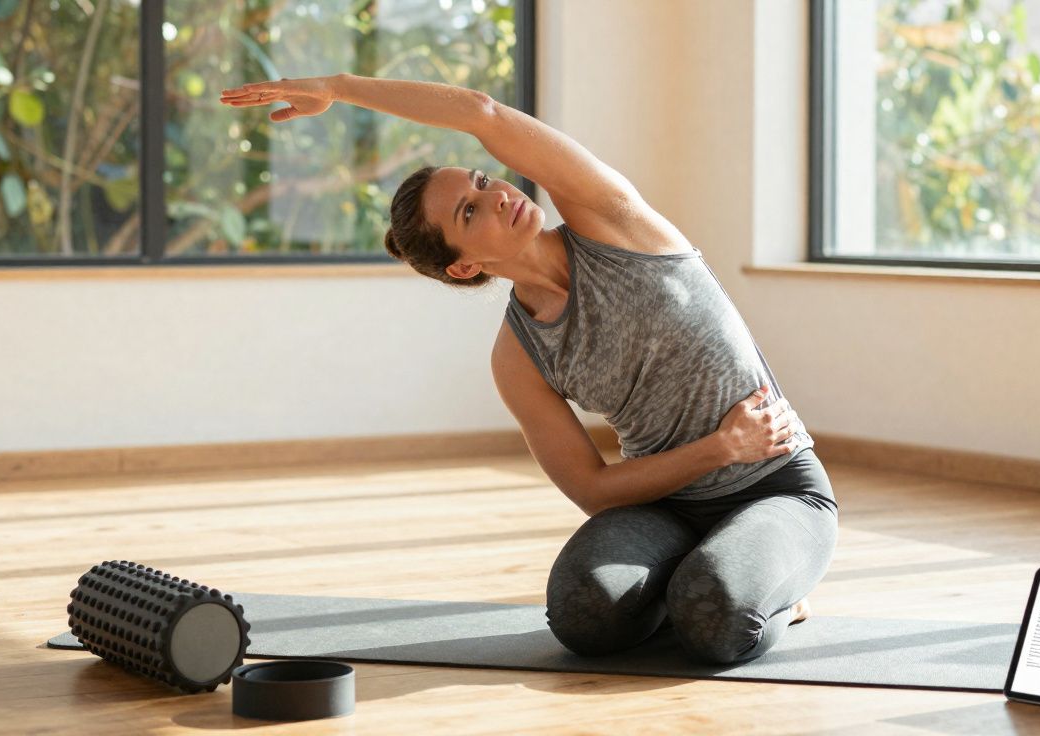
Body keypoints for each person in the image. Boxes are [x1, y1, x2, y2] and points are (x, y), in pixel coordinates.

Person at [220, 74, 838, 665]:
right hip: (666, 506)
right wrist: (719, 448)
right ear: (464, 267)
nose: (497, 196)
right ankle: (704, 573)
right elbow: (592, 489)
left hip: (775, 485)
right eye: (469, 213)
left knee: (715, 615)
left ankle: (766, 592)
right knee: (581, 615)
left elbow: (482, 113)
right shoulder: (518, 357)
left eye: (483, 181)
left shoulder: (609, 219)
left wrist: (340, 88)